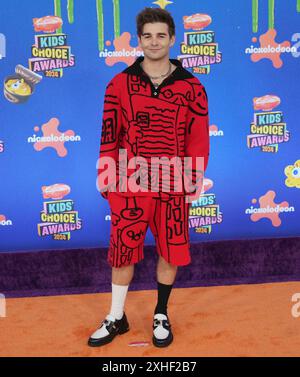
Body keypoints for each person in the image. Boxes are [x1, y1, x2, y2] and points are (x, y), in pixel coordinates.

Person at [88, 7, 209, 348]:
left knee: (170, 251)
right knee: (122, 251)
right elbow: (109, 134)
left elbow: (198, 139)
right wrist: (106, 175)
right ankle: (116, 316)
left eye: (160, 35)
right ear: (138, 40)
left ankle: (160, 312)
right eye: (147, 36)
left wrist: (193, 178)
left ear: (172, 39)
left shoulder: (192, 87)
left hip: (173, 181)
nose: (154, 42)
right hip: (130, 182)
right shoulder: (120, 84)